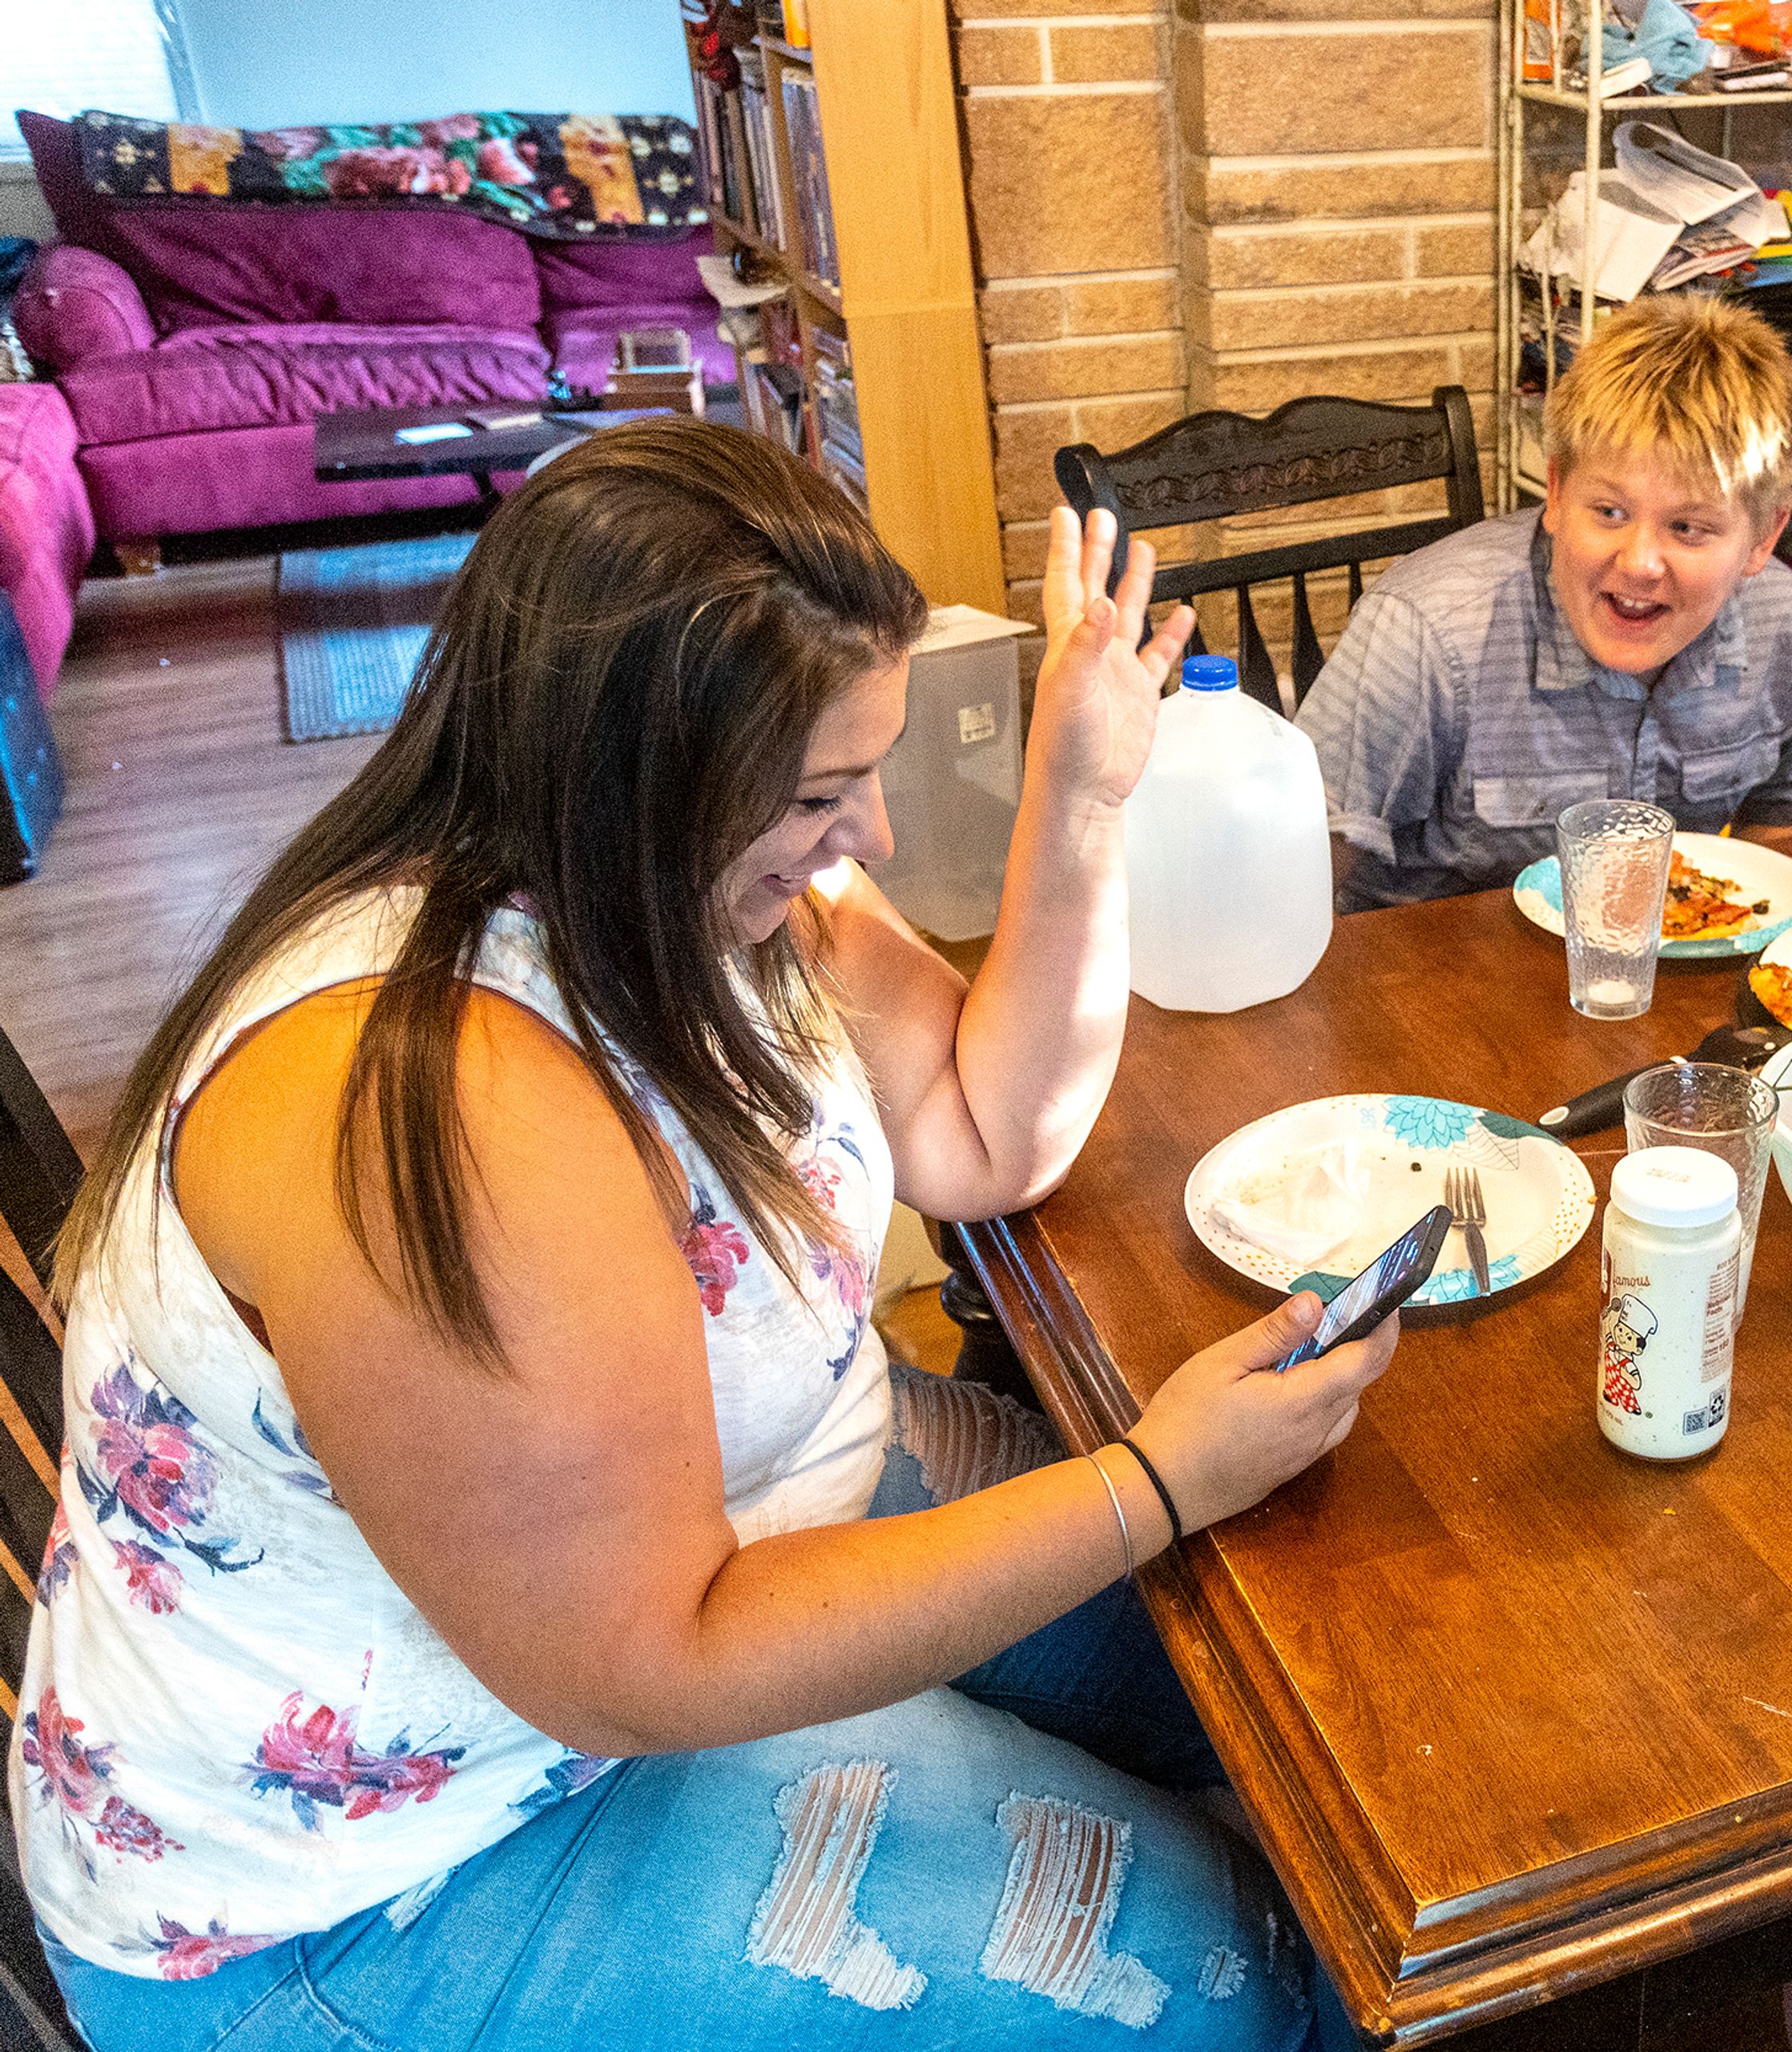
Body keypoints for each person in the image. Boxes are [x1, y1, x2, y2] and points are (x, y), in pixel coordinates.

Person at [20, 419, 1395, 2050]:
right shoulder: (435, 1106)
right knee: (1244, 1970)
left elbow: (983, 1134)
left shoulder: (704, 886)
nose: (874, 833)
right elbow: (648, 1658)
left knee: (1283, 1696)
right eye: (821, 789)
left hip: (705, 1550)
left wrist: (1084, 783)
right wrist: (1151, 1480)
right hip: (402, 1864)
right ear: (634, 776)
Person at [1295, 296, 1792, 910]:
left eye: (1688, 528)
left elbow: (1782, 837)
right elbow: (1280, 888)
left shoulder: (1783, 623)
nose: (1639, 562)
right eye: (1609, 512)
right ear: (1555, 492)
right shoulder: (1425, 633)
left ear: (1763, 536)